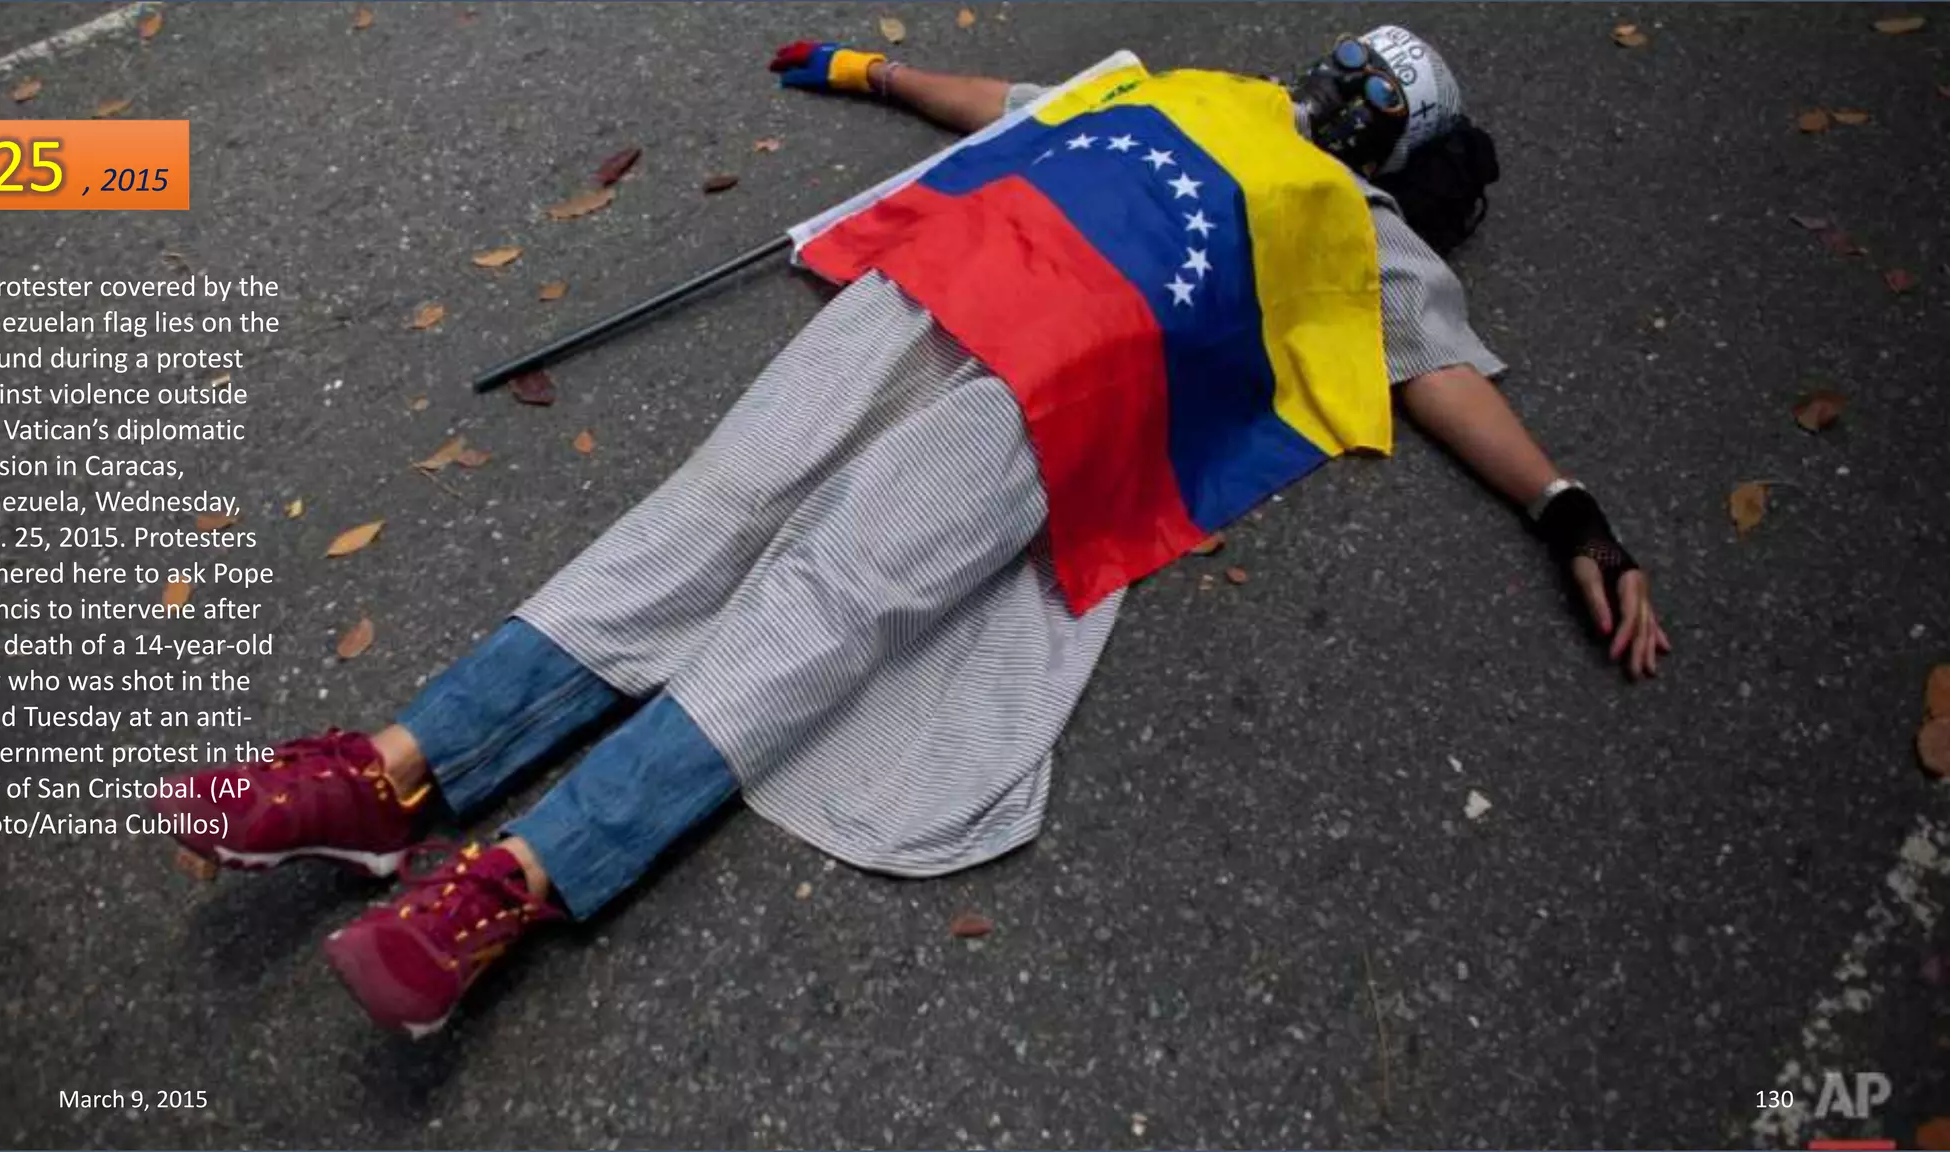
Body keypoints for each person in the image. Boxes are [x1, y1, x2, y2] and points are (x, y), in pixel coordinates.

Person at [158, 27, 1670, 1038]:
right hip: (929, 298)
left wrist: (1568, 511)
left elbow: (1442, 374)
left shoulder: (1370, 235)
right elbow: (1012, 109)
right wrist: (867, 68)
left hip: (1059, 398)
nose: (1343, 101)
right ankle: (393, 774)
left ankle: (521, 878)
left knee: (829, 602)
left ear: (1405, 150)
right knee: (702, 521)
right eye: (1347, 69)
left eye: (1378, 105)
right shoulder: (1188, 92)